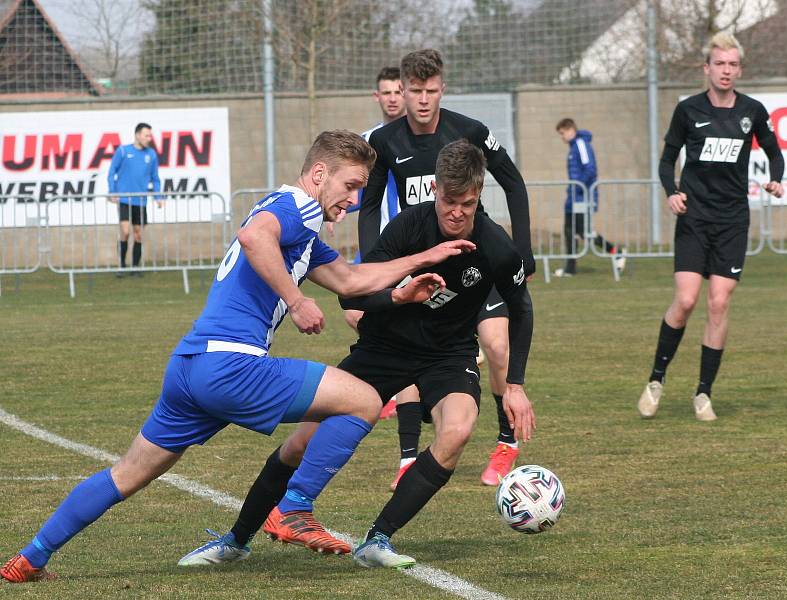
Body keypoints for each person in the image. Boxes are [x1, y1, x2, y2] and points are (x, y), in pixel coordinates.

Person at [0, 130, 474, 583]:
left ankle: (31, 556)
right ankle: (293, 507)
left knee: (127, 473)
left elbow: (352, 281)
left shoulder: (306, 233)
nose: (352, 199)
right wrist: (295, 298)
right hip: (231, 365)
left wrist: (420, 261)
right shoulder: (295, 207)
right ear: (319, 174)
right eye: (349, 185)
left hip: (190, 367)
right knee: (364, 400)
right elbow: (253, 237)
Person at [177, 139, 534, 570]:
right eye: (449, 201)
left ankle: (378, 539)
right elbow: (355, 299)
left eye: (468, 203)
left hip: (448, 354)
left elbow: (522, 307)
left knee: (457, 431)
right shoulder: (406, 228)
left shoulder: (495, 246)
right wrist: (399, 297)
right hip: (385, 347)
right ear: (435, 190)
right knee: (300, 443)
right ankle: (238, 538)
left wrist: (513, 385)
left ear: (479, 196)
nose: (457, 212)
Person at [359, 49, 536, 488]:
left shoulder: (470, 131)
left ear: (443, 87)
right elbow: (367, 209)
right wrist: (370, 275)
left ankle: (505, 442)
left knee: (497, 346)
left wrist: (525, 250)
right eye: (414, 90)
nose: (422, 99)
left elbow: (513, 181)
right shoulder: (384, 142)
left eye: (431, 90)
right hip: (422, 263)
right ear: (401, 89)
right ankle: (406, 456)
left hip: (476, 263)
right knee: (409, 347)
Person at [637, 33, 784, 422]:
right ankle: (656, 379)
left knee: (719, 302)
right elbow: (668, 159)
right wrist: (672, 192)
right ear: (707, 68)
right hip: (694, 219)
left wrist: (775, 178)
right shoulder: (688, 110)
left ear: (740, 69)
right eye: (720, 64)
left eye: (733, 65)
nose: (726, 71)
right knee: (686, 301)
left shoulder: (752, 110)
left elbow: (773, 151)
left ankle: (703, 393)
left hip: (733, 220)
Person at [343, 65, 412, 420]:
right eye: (386, 92)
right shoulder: (367, 140)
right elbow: (354, 187)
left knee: (411, 313)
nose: (393, 98)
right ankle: (397, 378)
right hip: (376, 244)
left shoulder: (416, 136)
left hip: (410, 244)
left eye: (398, 91)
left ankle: (406, 384)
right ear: (377, 97)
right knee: (354, 311)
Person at [554, 118, 626, 277]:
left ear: (571, 130)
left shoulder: (580, 144)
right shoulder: (573, 147)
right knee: (569, 231)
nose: (562, 137)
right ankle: (570, 268)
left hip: (582, 197)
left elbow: (590, 170)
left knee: (583, 231)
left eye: (562, 133)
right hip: (573, 197)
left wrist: (578, 187)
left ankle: (616, 251)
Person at [107, 122, 162, 277]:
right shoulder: (123, 151)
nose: (149, 138)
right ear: (137, 135)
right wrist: (113, 191)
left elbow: (155, 178)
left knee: (138, 234)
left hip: (141, 201)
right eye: (146, 135)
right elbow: (112, 172)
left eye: (150, 135)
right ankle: (122, 265)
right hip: (125, 200)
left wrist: (158, 196)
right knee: (125, 232)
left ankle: (135, 267)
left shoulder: (151, 155)